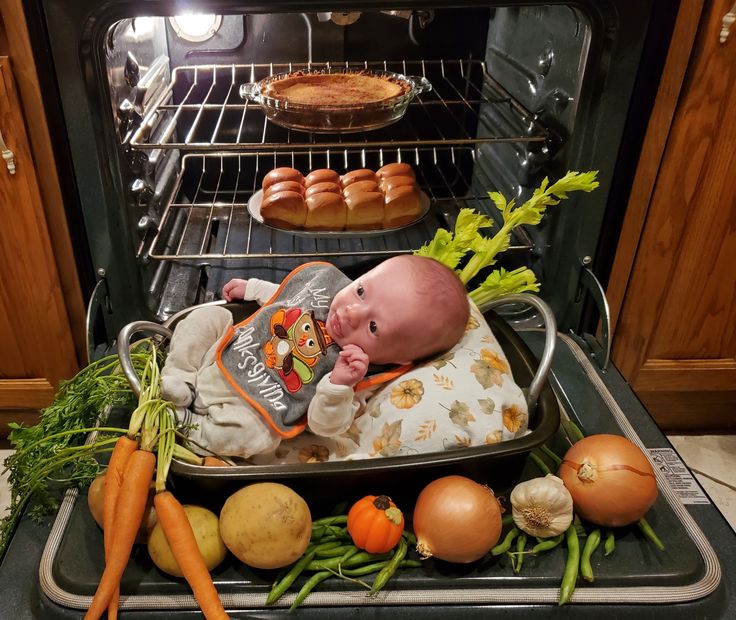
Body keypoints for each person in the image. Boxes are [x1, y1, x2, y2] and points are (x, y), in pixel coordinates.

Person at [161, 255, 469, 461]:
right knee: (210, 317)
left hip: (250, 409)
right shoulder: (331, 293)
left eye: (374, 326)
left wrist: (338, 385)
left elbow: (326, 426)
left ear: (400, 357)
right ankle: (180, 378)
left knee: (258, 437)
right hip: (224, 351)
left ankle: (190, 426)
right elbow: (289, 299)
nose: (350, 313)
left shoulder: (359, 374)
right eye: (361, 291)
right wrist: (252, 288)